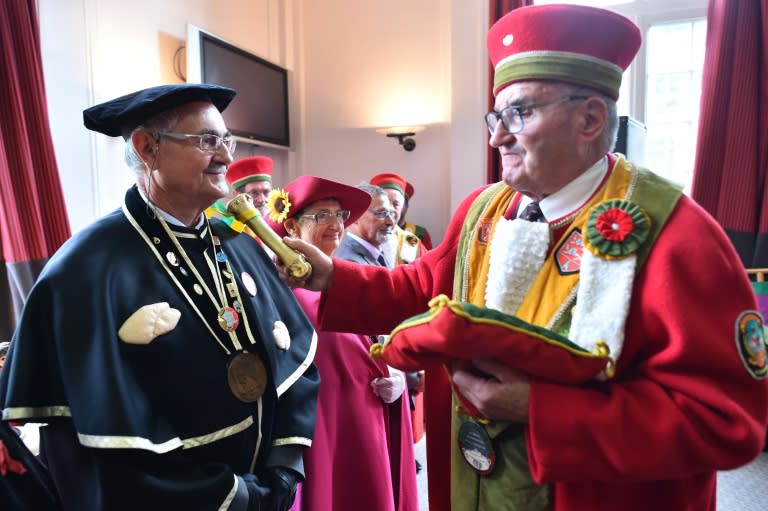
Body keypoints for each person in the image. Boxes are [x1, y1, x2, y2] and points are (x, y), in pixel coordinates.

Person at [277, 4, 768, 511]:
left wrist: (541, 410)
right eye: (497, 115)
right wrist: (329, 274)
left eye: (520, 113)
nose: (497, 136)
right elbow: (421, 290)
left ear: (590, 118)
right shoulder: (483, 210)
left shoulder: (677, 236)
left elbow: (725, 423)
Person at [0, 83, 320, 511]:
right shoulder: (85, 269)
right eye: (208, 141)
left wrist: (284, 465)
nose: (226, 156)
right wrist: (234, 496)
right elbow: (100, 445)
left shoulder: (238, 241)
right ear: (147, 147)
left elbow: (295, 360)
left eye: (227, 140)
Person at [264, 176, 418, 511]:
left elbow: (381, 341)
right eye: (322, 216)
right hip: (319, 424)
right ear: (291, 225)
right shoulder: (279, 290)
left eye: (340, 215)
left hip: (366, 419)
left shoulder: (349, 278)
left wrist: (396, 376)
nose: (337, 225)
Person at [334, 183, 397, 267]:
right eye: (382, 213)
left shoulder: (377, 254)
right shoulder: (350, 263)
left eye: (391, 214)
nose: (390, 222)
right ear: (355, 216)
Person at [370, 173, 426, 266]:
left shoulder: (410, 240)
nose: (389, 209)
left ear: (403, 208)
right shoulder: (360, 238)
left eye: (396, 204)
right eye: (384, 203)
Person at [400, 181, 433, 250]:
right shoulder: (374, 233)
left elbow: (427, 259)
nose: (394, 209)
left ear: (407, 206)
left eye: (399, 204)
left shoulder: (419, 234)